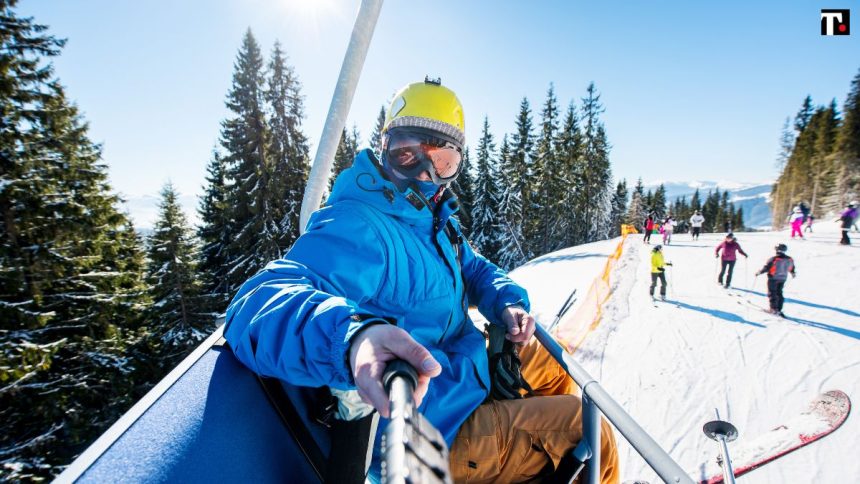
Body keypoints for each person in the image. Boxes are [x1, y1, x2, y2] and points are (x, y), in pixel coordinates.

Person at [223, 79, 619, 483]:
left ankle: (539, 462)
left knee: (551, 361)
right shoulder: (358, 223)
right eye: (408, 154)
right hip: (432, 426)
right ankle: (541, 447)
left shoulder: (434, 222)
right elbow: (257, 300)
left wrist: (506, 302)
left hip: (462, 372)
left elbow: (477, 268)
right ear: (385, 148)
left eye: (443, 160)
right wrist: (352, 337)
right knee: (593, 432)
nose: (425, 174)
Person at [756, 244, 796, 317]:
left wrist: (759, 272)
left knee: (772, 293)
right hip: (783, 278)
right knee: (779, 293)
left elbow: (767, 267)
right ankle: (779, 309)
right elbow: (791, 267)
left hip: (773, 278)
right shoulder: (789, 259)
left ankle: (773, 309)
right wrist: (793, 273)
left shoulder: (774, 259)